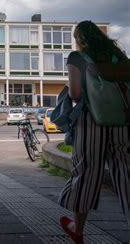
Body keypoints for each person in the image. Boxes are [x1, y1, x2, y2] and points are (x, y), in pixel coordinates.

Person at [58, 21, 129, 243]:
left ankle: (77, 231)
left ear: (79, 38)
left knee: (85, 173)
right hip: (121, 121)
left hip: (92, 121)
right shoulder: (118, 56)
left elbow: (76, 93)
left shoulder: (77, 58)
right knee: (127, 176)